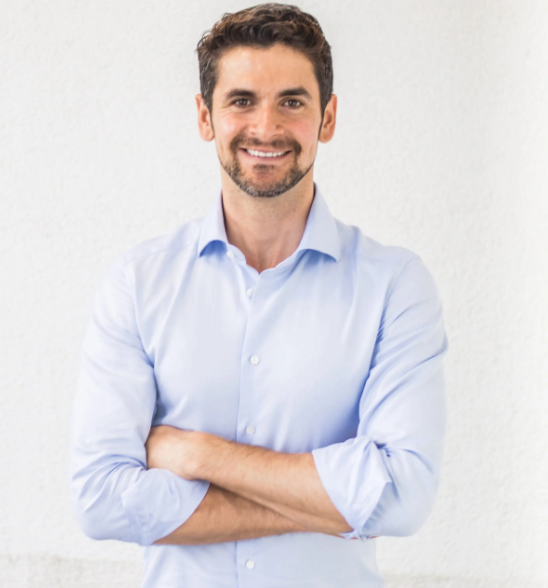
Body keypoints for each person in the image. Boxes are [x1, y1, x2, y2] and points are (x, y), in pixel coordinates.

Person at [70, 4, 447, 587]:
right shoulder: (139, 284)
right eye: (242, 100)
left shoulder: (394, 286)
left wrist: (201, 457)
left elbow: (401, 496)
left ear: (327, 118)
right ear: (205, 117)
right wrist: (333, 505)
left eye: (292, 102)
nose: (266, 127)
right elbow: (99, 499)